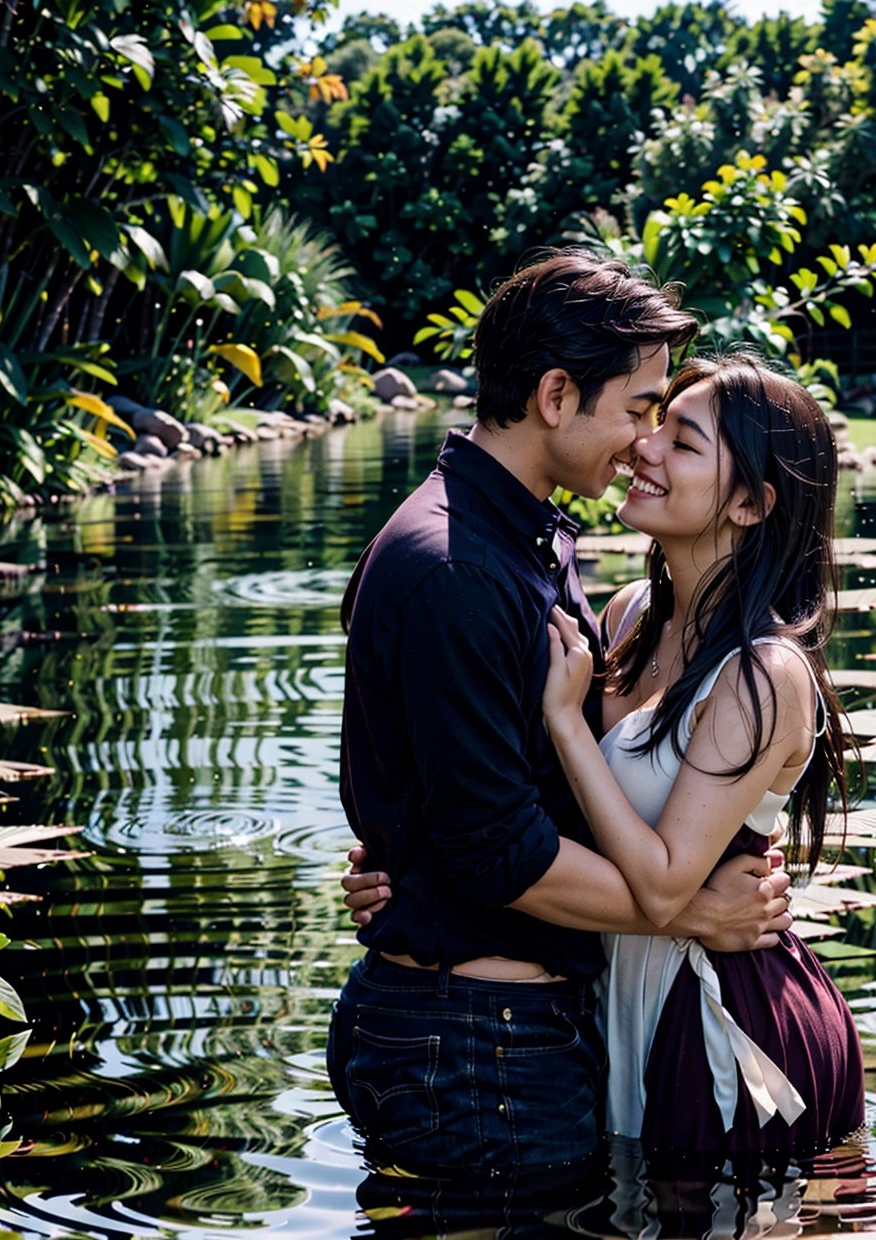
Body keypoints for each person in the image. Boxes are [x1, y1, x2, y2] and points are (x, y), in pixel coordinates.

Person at [327, 251, 795, 1177]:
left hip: (504, 1034)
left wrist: (408, 856)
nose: (642, 440)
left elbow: (483, 797)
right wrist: (690, 911)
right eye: (635, 408)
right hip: (470, 1049)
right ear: (553, 395)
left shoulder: (524, 537)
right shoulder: (457, 567)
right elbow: (496, 849)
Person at [541, 352, 865, 1161]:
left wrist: (567, 723)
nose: (643, 448)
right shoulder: (628, 614)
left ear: (753, 503)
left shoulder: (764, 673)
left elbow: (661, 881)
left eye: (681, 443)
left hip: (724, 1021)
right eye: (655, 426)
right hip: (619, 992)